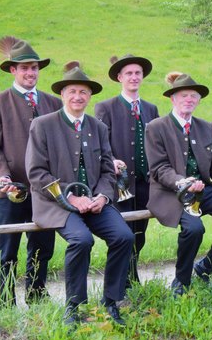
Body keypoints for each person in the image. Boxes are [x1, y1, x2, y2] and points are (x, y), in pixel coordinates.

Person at [26, 62, 134, 325]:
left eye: (83, 92)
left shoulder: (98, 127)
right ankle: (73, 307)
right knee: (81, 240)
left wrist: (103, 197)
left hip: (94, 202)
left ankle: (111, 301)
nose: (78, 97)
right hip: (56, 203)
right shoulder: (42, 125)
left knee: (124, 236)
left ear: (89, 97)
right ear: (63, 94)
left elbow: (109, 171)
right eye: (72, 91)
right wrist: (70, 197)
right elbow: (37, 173)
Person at [145, 72, 212, 296]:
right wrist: (181, 182)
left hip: (202, 189)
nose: (189, 100)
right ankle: (181, 282)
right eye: (184, 95)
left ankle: (208, 266)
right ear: (173, 99)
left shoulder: (206, 128)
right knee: (194, 229)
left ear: (199, 100)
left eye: (193, 96)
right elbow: (159, 168)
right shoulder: (156, 127)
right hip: (170, 192)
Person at [0, 37, 62, 307]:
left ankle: (37, 296)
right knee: (6, 250)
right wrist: (2, 177)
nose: (30, 73)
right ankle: (5, 304)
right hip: (11, 192)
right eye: (24, 68)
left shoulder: (53, 103)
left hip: (46, 193)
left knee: (43, 248)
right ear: (12, 71)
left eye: (34, 68)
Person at [95, 54, 159, 287]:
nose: (134, 77)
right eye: (129, 73)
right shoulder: (106, 107)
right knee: (123, 233)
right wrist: (111, 160)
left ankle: (131, 275)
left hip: (145, 183)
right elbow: (99, 143)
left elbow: (158, 143)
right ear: (120, 77)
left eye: (138, 73)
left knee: (140, 232)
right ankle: (121, 280)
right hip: (118, 184)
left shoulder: (151, 109)